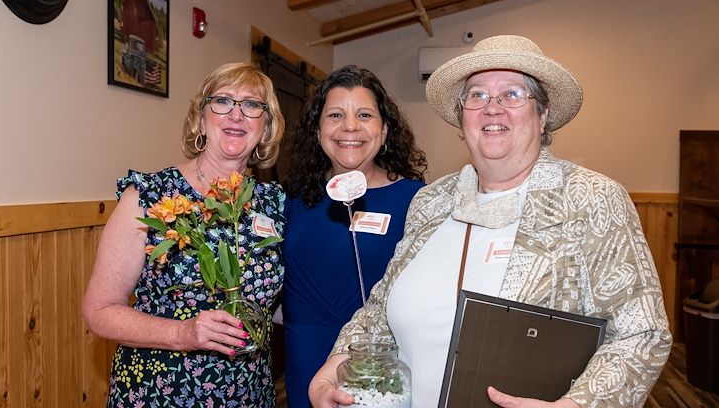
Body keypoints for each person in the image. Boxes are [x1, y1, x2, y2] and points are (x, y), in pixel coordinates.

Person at [308, 36, 672, 408]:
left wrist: (575, 406)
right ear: (462, 115)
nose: (492, 109)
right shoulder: (432, 201)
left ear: (542, 114)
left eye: (512, 94)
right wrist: (332, 368)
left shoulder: (590, 198)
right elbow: (379, 310)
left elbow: (642, 333)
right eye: (477, 95)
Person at [82, 62, 286, 407]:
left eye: (252, 105)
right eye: (222, 101)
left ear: (265, 129)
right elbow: (99, 311)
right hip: (161, 391)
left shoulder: (275, 204)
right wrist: (183, 334)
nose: (236, 114)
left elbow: (279, 302)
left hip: (248, 393)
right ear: (201, 119)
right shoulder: (149, 198)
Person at [280, 65, 427, 407]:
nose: (350, 126)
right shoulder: (291, 198)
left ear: (385, 129)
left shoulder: (417, 201)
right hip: (306, 357)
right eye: (335, 114)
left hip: (380, 362)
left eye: (364, 115)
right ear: (317, 131)